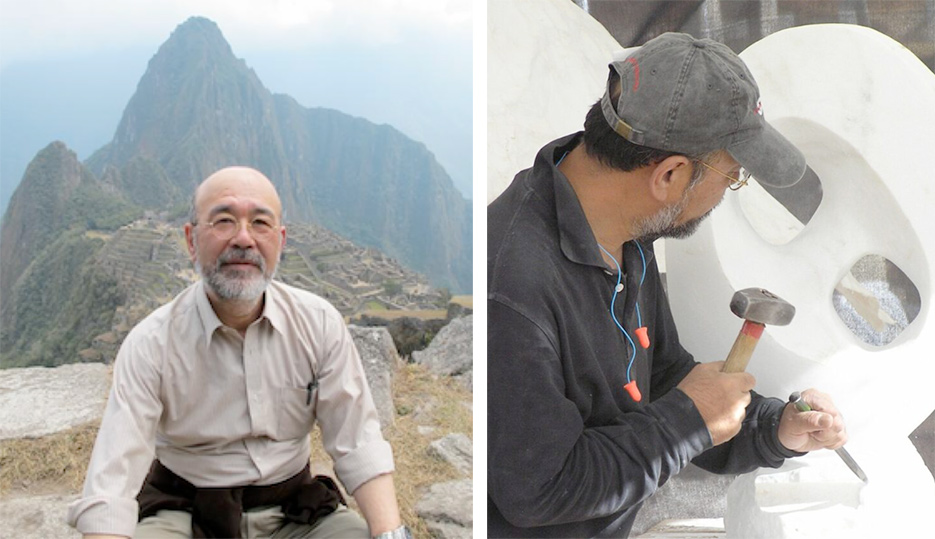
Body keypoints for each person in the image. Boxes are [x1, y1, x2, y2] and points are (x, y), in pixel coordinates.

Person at [487, 32, 849, 538]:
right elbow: (541, 489)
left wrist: (774, 428)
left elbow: (662, 378)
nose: (728, 189)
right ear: (671, 174)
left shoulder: (626, 233)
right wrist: (689, 419)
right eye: (733, 175)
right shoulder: (511, 291)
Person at [67, 166, 411, 539]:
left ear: (280, 240)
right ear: (191, 240)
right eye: (224, 221)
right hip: (185, 514)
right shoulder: (152, 343)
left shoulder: (318, 324)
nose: (243, 239)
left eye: (260, 223)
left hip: (295, 514)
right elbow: (113, 478)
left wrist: (391, 533)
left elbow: (357, 439)